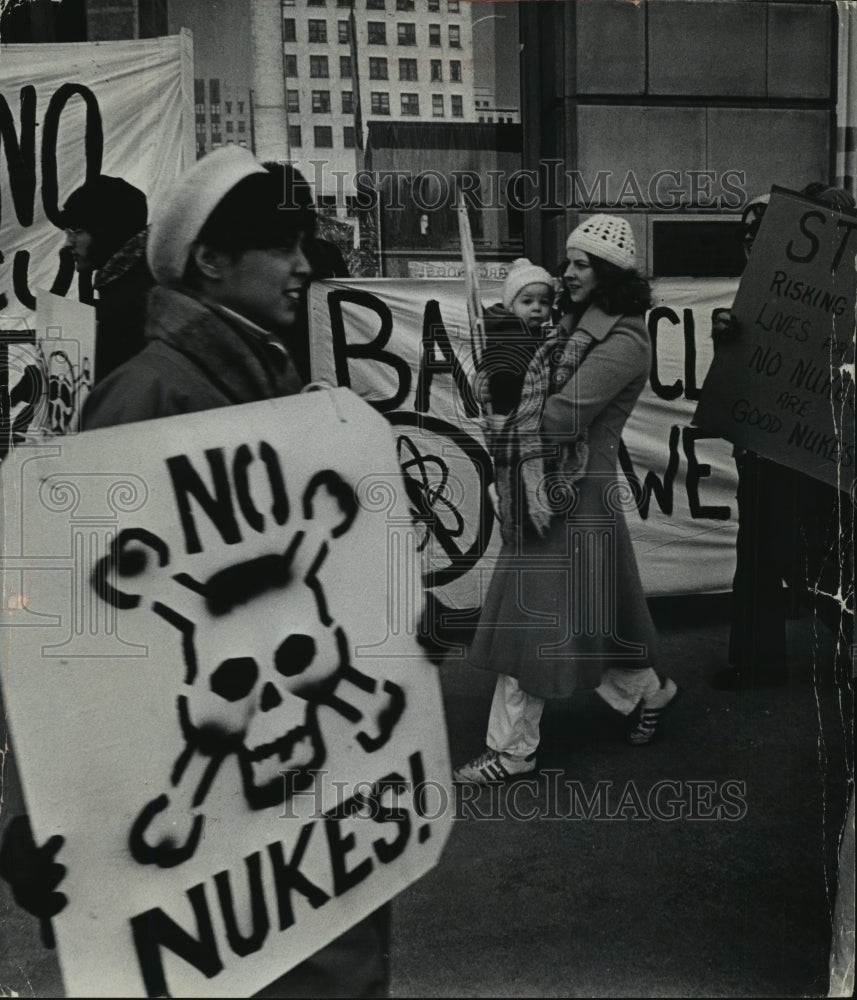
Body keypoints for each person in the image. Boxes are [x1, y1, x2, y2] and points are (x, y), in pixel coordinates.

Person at [1, 147, 389, 998]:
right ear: (210, 261)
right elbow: (70, 615)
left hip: (301, 829)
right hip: (213, 845)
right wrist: (33, 810)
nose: (301, 267)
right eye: (279, 247)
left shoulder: (283, 385)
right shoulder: (146, 397)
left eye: (303, 245)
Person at [455, 214, 678, 786]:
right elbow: (534, 390)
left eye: (580, 264)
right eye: (569, 262)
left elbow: (558, 417)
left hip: (572, 495)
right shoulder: (571, 326)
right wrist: (498, 384)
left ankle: (512, 750)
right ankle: (648, 693)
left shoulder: (625, 339)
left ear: (608, 273)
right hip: (555, 493)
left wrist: (504, 425)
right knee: (577, 617)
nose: (567, 273)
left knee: (535, 624)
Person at [711, 184, 856, 690]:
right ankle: (755, 662)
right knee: (759, 557)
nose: (753, 245)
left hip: (820, 452)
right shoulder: (766, 289)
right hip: (767, 444)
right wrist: (728, 334)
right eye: (749, 238)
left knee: (824, 563)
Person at [59, 175, 154, 382]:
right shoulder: (139, 278)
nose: (68, 244)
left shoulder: (128, 301)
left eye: (77, 232)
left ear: (106, 232)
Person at [478, 257, 555, 415]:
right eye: (527, 302)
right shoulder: (509, 337)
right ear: (510, 306)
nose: (537, 308)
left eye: (545, 302)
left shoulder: (535, 334)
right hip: (513, 416)